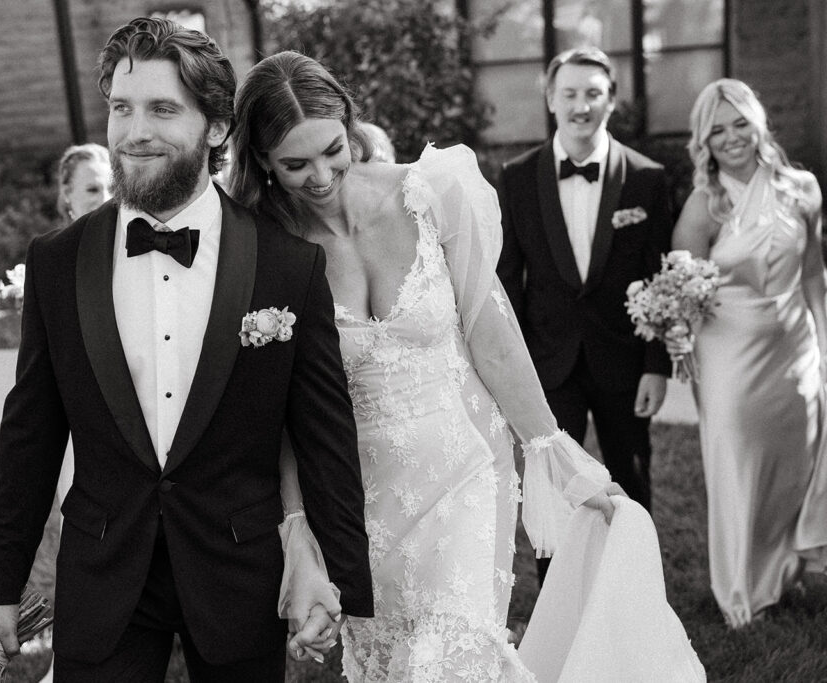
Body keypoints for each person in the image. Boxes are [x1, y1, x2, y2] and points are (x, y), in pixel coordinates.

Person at [0, 17, 373, 681]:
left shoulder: (286, 266)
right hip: (104, 575)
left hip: (240, 575)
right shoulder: (57, 261)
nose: (134, 131)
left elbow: (325, 434)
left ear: (216, 128)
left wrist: (342, 584)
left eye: (162, 109)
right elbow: (32, 434)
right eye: (121, 108)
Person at [229, 50, 625, 683]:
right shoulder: (260, 248)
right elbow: (279, 413)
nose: (322, 176)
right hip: (355, 500)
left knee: (452, 659)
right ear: (262, 162)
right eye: (294, 164)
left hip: (466, 467)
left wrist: (553, 453)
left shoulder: (430, 191)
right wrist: (298, 529)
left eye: (333, 149)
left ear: (349, 123)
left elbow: (491, 337)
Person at [496, 47, 673, 583]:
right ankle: (559, 607)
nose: (581, 106)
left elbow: (662, 278)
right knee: (554, 494)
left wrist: (656, 365)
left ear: (611, 100)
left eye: (593, 93)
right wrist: (513, 375)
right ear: (550, 99)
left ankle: (636, 591)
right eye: (569, 93)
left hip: (624, 364)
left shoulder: (647, 178)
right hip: (548, 366)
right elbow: (509, 282)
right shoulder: (516, 177)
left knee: (632, 481)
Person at [670, 78, 827, 628]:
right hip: (728, 354)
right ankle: (740, 591)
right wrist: (678, 342)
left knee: (794, 466)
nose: (732, 138)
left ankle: (785, 574)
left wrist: (824, 345)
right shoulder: (704, 204)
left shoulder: (802, 188)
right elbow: (681, 288)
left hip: (795, 346)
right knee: (739, 468)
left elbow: (813, 274)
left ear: (758, 123)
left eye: (740, 123)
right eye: (717, 130)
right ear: (704, 142)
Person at [37, 142, 111, 683]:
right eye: (92, 189)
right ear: (66, 197)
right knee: (81, 537)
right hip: (75, 428)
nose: (105, 197)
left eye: (110, 186)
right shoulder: (52, 261)